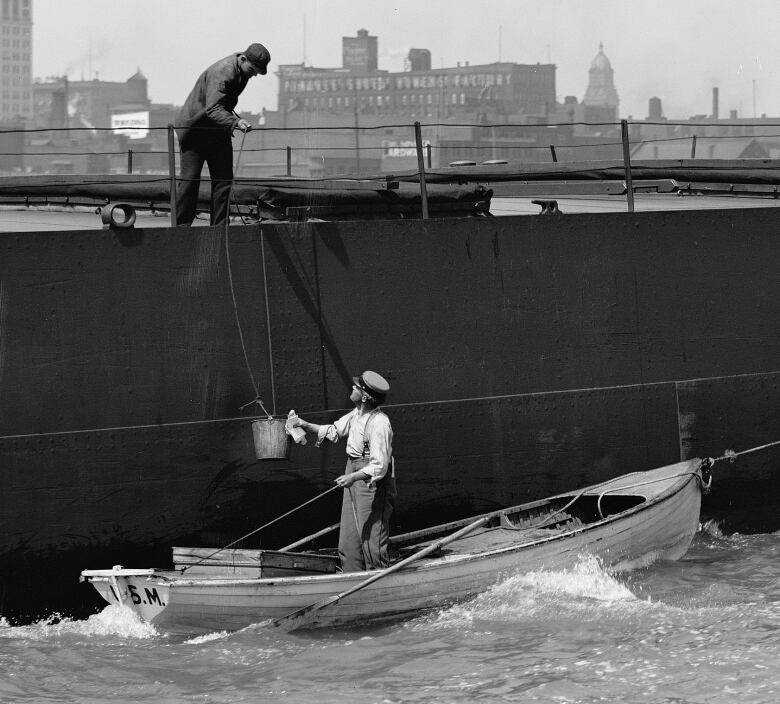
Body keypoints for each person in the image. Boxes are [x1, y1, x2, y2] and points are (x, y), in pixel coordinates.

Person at [291, 371, 396, 572]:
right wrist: (304, 424)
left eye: (356, 387)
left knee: (372, 539)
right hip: (353, 471)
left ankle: (379, 581)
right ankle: (350, 578)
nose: (352, 388)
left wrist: (353, 477)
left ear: (364, 397)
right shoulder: (356, 414)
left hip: (371, 479)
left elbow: (380, 465)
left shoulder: (380, 422)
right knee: (349, 540)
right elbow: (334, 431)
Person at [175, 43, 271, 227]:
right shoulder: (224, 71)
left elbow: (222, 103)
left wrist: (233, 120)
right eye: (253, 69)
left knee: (223, 180)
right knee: (190, 181)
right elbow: (213, 108)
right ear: (242, 59)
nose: (254, 74)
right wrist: (236, 122)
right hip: (195, 131)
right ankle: (181, 229)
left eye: (257, 72)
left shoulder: (242, 71)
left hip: (216, 129)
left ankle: (220, 229)